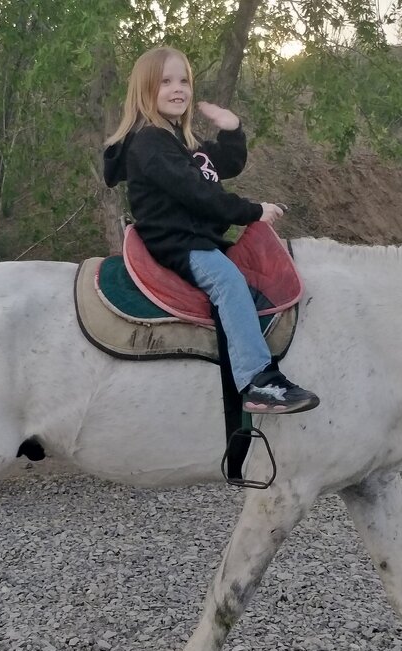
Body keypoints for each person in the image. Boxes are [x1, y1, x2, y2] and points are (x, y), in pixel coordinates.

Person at [102, 47, 319, 415]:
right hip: (177, 241)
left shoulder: (182, 142)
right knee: (228, 282)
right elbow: (199, 194)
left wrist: (231, 128)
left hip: (195, 236)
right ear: (145, 89)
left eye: (184, 81)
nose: (178, 89)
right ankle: (258, 381)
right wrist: (253, 211)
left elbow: (226, 165)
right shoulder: (150, 143)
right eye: (166, 81)